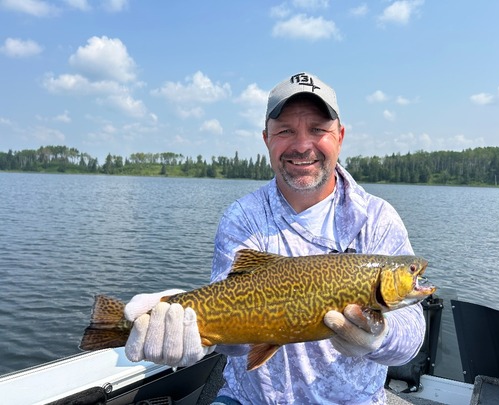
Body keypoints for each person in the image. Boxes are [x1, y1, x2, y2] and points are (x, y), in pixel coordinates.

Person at [123, 72, 426, 404]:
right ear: (266, 138)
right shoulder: (243, 217)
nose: (301, 145)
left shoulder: (377, 218)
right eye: (285, 131)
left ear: (339, 136)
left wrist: (378, 337)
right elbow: (234, 340)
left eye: (317, 130)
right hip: (250, 399)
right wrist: (190, 325)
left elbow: (411, 335)